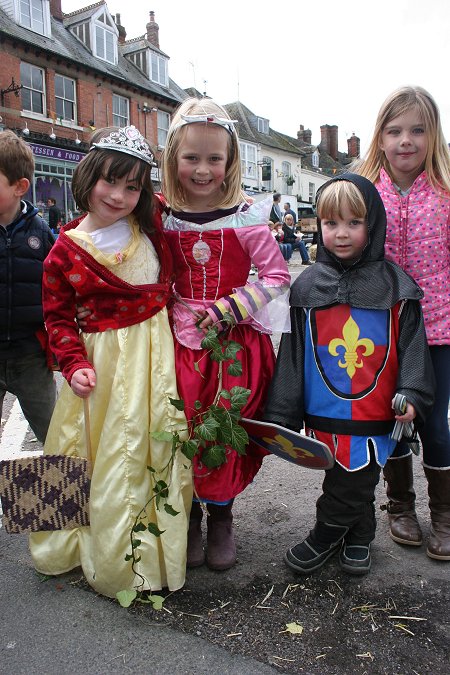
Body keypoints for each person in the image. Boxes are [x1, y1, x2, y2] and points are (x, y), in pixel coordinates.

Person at [29, 125, 192, 599]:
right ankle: (61, 548)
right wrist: (72, 361)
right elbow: (56, 318)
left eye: (133, 186)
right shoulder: (64, 250)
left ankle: (148, 557)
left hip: (155, 360)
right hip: (100, 367)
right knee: (83, 451)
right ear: (87, 179)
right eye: (110, 182)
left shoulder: (153, 225)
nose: (119, 195)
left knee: (149, 449)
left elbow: (198, 207)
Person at [264, 173, 434, 576]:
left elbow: (412, 344)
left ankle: (324, 535)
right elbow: (294, 353)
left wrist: (411, 391)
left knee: (357, 476)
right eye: (331, 223)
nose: (341, 234)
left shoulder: (396, 287)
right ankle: (360, 535)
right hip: (326, 407)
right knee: (343, 474)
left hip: (376, 408)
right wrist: (284, 413)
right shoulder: (307, 287)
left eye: (353, 223)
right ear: (319, 227)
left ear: (371, 225)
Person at [159, 98, 290, 571]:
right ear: (174, 156)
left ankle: (222, 517)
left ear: (230, 160)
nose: (202, 169)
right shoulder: (162, 214)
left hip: (232, 346)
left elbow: (276, 276)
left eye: (215, 158)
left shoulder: (246, 215)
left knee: (225, 427)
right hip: (178, 343)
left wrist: (234, 305)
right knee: (183, 427)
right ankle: (189, 517)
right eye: (192, 157)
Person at [356, 86, 450, 561]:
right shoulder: (365, 190)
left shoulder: (447, 193)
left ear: (433, 135)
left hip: (440, 328)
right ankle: (399, 506)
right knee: (391, 416)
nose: (406, 140)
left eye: (417, 129)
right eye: (394, 130)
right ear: (381, 137)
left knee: (435, 425)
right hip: (383, 326)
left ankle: (445, 515)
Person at [0, 130, 56, 445]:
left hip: (31, 357)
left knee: (56, 438)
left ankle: (67, 494)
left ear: (20, 187)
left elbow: (63, 287)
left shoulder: (43, 234)